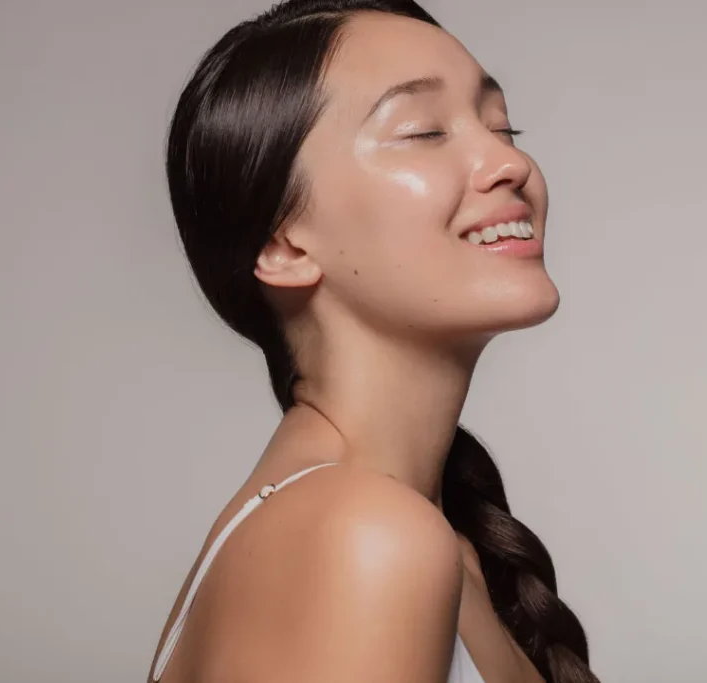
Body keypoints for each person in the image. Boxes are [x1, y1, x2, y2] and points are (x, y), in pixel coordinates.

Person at [148, 1, 599, 681]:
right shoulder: (361, 536)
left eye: (503, 125)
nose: (506, 160)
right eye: (423, 131)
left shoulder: (420, 538)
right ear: (283, 243)